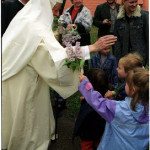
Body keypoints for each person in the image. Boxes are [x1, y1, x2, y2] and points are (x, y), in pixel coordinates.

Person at [2, 0, 117, 149]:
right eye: (55, 10)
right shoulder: (34, 28)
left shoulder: (25, 20)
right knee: (26, 127)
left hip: (14, 80)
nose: (57, 15)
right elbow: (57, 60)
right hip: (25, 85)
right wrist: (92, 47)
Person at [78, 67, 149, 150]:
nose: (124, 84)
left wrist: (85, 84)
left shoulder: (117, 109)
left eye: (126, 83)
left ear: (133, 90)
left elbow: (96, 101)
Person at [73, 69, 109, 150]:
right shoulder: (106, 99)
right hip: (100, 131)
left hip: (87, 134)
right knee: (97, 142)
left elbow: (82, 118)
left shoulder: (89, 106)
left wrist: (85, 101)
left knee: (86, 146)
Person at [114, 0, 149, 66]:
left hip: (139, 59)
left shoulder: (144, 15)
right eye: (131, 2)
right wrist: (118, 59)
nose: (134, 4)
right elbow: (117, 41)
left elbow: (148, 38)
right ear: (124, 2)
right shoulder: (119, 18)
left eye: (136, 2)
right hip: (125, 59)